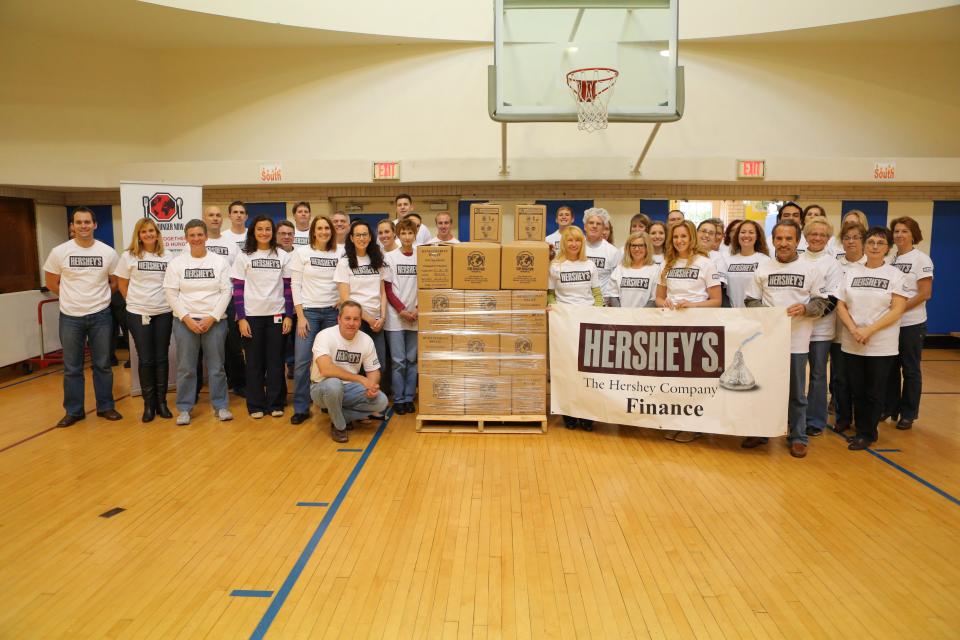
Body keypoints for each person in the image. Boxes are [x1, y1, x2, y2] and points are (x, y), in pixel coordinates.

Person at [743, 220, 829, 458]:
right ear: (773, 240)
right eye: (779, 238)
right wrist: (768, 313)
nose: (783, 243)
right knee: (762, 389)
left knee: (796, 393)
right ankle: (761, 431)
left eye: (788, 239)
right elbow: (750, 300)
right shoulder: (763, 268)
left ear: (797, 240)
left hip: (796, 342)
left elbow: (821, 303)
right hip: (767, 341)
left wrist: (804, 309)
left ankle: (798, 436)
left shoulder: (811, 269)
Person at [44, 207, 122, 427]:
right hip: (70, 317)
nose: (83, 226)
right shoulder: (60, 252)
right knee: (72, 367)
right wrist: (71, 298)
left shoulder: (108, 252)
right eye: (79, 222)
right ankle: (74, 410)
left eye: (87, 222)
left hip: (101, 315)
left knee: (103, 365)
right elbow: (51, 282)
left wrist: (100, 298)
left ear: (95, 225)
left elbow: (115, 282)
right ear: (73, 226)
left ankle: (106, 407)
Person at [835, 227, 907, 450]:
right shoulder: (851, 272)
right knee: (856, 389)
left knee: (874, 391)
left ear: (888, 248)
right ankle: (861, 429)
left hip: (881, 345)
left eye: (880, 243)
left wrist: (869, 330)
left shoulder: (895, 275)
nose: (875, 246)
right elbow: (841, 304)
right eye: (871, 242)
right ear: (865, 245)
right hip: (852, 341)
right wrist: (854, 329)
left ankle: (868, 433)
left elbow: (897, 309)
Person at [655, 219, 722, 444]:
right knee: (673, 379)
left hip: (698, 329)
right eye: (675, 237)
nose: (679, 240)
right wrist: (663, 303)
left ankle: (694, 426)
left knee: (693, 380)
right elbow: (658, 297)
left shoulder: (705, 263)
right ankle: (676, 422)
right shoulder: (667, 264)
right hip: (671, 328)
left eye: (684, 236)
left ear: (691, 237)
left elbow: (717, 301)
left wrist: (692, 305)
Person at [163, 219, 234, 425]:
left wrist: (212, 317)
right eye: (192, 235)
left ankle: (221, 406)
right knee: (186, 368)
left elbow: (226, 291)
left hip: (215, 321)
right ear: (186, 238)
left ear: (205, 236)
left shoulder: (218, 262)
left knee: (216, 367)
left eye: (199, 235)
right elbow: (171, 293)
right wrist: (186, 318)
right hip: (185, 322)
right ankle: (184, 408)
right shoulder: (177, 263)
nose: (196, 239)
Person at [232, 216, 294, 419]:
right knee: (254, 363)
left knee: (276, 362)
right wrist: (241, 318)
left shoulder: (283, 256)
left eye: (268, 229)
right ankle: (256, 404)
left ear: (273, 232)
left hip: (276, 315)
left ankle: (276, 403)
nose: (264, 233)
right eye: (260, 229)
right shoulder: (244, 256)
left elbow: (288, 288)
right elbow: (238, 289)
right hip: (251, 317)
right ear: (253, 232)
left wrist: (288, 316)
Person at [114, 218, 173, 422]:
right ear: (138, 235)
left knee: (161, 358)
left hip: (164, 312)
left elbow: (172, 284)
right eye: (144, 231)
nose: (148, 234)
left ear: (157, 233)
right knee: (145, 358)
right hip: (138, 313)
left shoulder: (168, 255)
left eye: (151, 231)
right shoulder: (128, 256)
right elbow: (122, 284)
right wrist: (135, 303)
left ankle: (162, 403)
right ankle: (149, 406)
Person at [310, 300, 388, 443]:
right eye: (347, 318)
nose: (351, 323)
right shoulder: (324, 335)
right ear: (338, 319)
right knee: (334, 384)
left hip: (349, 388)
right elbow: (326, 370)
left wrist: (372, 386)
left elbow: (374, 371)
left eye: (356, 319)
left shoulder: (366, 340)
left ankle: (337, 414)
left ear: (360, 321)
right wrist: (361, 379)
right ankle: (339, 426)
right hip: (321, 388)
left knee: (381, 401)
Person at [548, 226, 602, 430]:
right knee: (566, 370)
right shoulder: (555, 266)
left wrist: (596, 313)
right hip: (564, 324)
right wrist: (554, 309)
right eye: (569, 240)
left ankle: (588, 414)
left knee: (588, 371)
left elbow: (597, 295)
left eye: (577, 240)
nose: (573, 244)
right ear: (564, 243)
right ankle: (568, 412)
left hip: (587, 323)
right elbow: (551, 294)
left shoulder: (590, 265)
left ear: (582, 243)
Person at [882, 216, 934, 430]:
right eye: (896, 231)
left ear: (914, 234)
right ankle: (891, 408)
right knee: (891, 369)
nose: (899, 235)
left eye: (904, 231)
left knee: (910, 370)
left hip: (911, 324)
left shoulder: (921, 259)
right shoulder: (891, 259)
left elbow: (925, 294)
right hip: (892, 324)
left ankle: (909, 413)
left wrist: (899, 309)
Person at [290, 215, 341, 425]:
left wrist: (340, 300)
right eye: (319, 228)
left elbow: (346, 279)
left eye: (327, 228)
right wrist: (300, 316)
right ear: (313, 231)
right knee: (302, 362)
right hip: (309, 313)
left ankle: (330, 403)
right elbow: (295, 285)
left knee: (332, 361)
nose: (323, 232)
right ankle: (301, 408)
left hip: (332, 313)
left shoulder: (341, 252)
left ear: (331, 231)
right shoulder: (302, 253)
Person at [335, 220, 389, 406]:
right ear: (351, 238)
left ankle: (370, 404)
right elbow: (345, 298)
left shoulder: (377, 260)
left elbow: (382, 292)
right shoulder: (344, 263)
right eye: (357, 235)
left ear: (370, 237)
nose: (361, 238)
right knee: (355, 366)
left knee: (377, 363)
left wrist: (382, 317)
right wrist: (367, 318)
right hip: (356, 322)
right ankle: (355, 403)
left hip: (376, 321)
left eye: (365, 234)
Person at [800, 217, 843, 437]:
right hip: (796, 329)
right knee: (795, 374)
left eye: (822, 235)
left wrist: (809, 315)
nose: (817, 238)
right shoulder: (796, 260)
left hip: (821, 330)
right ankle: (794, 417)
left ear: (828, 238)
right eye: (813, 234)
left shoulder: (832, 263)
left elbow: (833, 298)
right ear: (805, 236)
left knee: (817, 374)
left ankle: (815, 420)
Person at [830, 220, 867, 435]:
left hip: (864, 332)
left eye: (855, 237)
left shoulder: (871, 264)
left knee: (861, 380)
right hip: (839, 331)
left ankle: (863, 420)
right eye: (847, 238)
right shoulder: (835, 264)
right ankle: (843, 417)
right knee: (840, 378)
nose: (851, 241)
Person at [203, 205, 244, 397]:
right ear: (205, 218)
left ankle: (238, 383)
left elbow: (237, 274)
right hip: (202, 301)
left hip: (228, 299)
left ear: (223, 219)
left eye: (218, 215)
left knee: (234, 344)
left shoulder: (230, 244)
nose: (215, 218)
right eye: (211, 215)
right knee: (202, 346)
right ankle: (199, 387)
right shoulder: (195, 241)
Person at [383, 218, 419, 415]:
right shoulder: (390, 257)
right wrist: (401, 310)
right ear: (398, 235)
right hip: (396, 317)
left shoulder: (421, 257)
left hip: (415, 315)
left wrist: (418, 308)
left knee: (412, 360)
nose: (407, 236)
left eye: (410, 233)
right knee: (398, 361)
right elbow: (387, 288)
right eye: (403, 233)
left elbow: (427, 284)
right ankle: (398, 399)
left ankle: (408, 397)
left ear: (415, 235)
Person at [720, 219, 770, 308]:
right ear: (737, 235)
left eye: (751, 232)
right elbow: (722, 290)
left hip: (755, 314)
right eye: (743, 232)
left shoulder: (765, 260)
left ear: (757, 236)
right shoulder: (727, 260)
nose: (746, 235)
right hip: (732, 314)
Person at [582, 208, 623, 306]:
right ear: (585, 226)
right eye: (591, 223)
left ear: (604, 228)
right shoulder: (576, 247)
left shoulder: (612, 251)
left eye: (598, 224)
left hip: (603, 305)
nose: (594, 226)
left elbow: (616, 283)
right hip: (579, 303)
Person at [610, 232, 660, 308]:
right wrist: (621, 314)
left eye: (641, 245)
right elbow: (613, 295)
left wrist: (639, 316)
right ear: (628, 248)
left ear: (647, 247)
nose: (637, 249)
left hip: (644, 317)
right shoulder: (620, 269)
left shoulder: (655, 270)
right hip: (622, 317)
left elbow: (654, 299)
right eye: (633, 245)